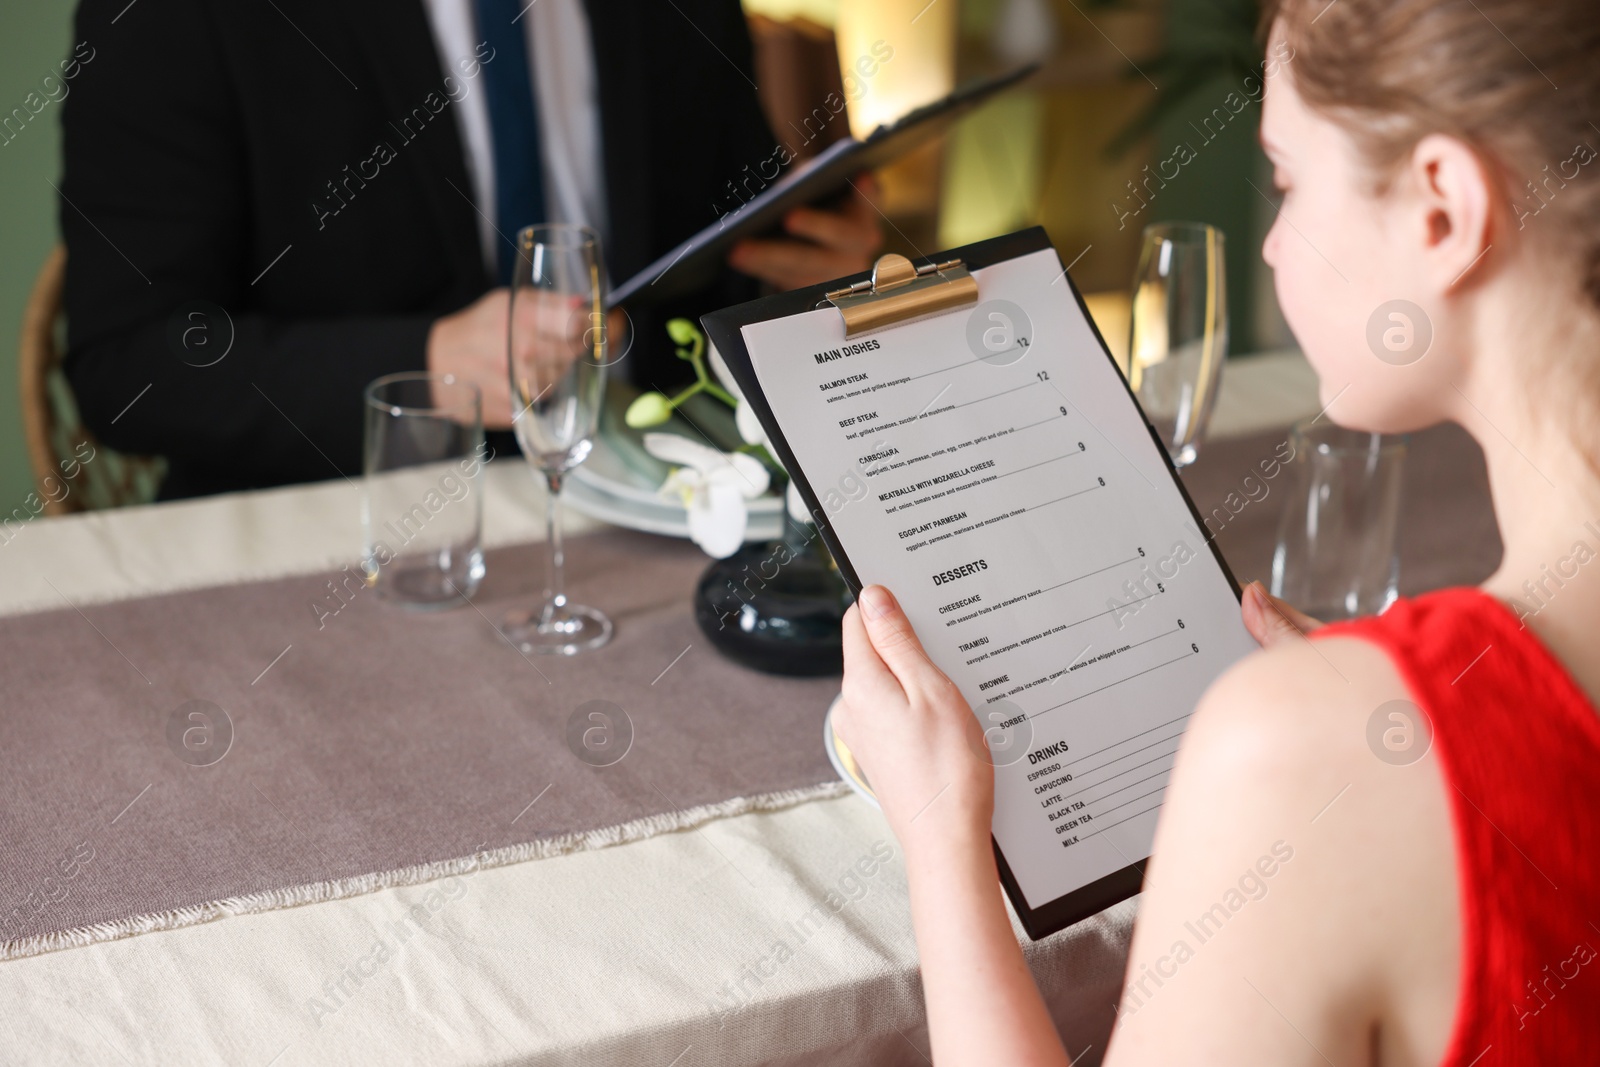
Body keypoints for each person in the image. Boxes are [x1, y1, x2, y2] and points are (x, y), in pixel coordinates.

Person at [834, 0, 1600, 1062]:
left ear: (1441, 209)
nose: (1276, 240)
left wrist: (938, 833)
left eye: (1285, 180)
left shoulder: (1303, 748)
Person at [58, 0, 881, 499]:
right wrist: (427, 361)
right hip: (339, 547)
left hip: (661, 514)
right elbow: (129, 365)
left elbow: (729, 243)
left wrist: (814, 271)